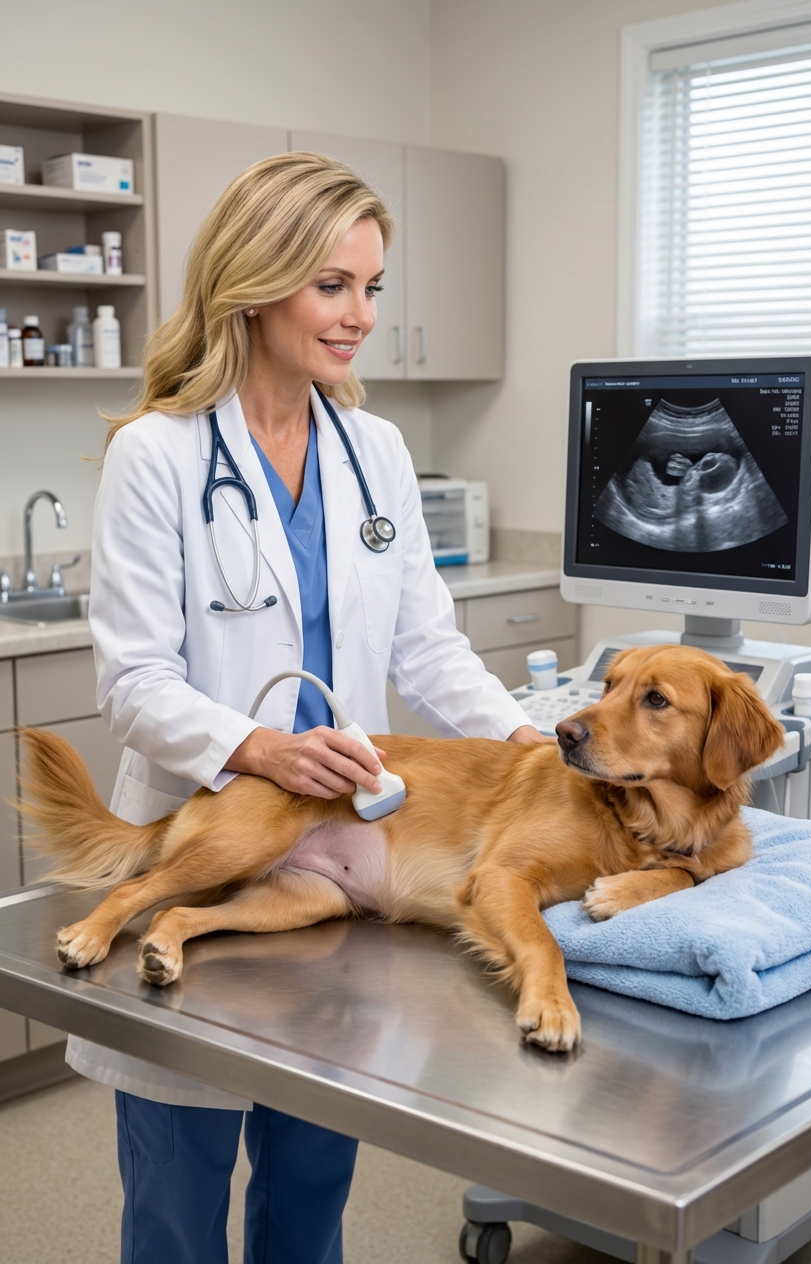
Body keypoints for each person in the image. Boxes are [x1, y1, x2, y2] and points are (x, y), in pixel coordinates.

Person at [68, 151, 544, 1264]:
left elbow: (426, 645)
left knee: (310, 1193)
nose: (361, 316)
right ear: (256, 276)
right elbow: (132, 681)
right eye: (334, 285)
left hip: (342, 866)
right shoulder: (157, 456)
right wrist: (260, 748)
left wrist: (526, 743)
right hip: (219, 832)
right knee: (178, 1211)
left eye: (373, 288)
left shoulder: (373, 451)